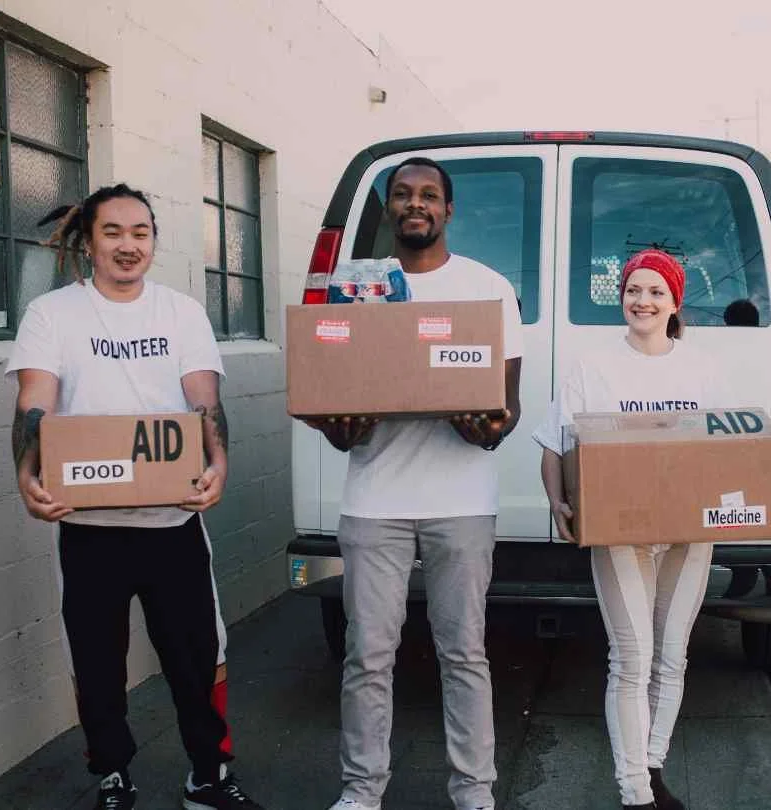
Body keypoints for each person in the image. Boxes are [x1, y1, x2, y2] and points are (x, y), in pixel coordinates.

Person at [7, 184, 264, 810]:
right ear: (89, 241)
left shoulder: (179, 312)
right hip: (88, 525)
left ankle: (208, 776)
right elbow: (34, 402)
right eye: (114, 232)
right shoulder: (53, 314)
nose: (129, 245)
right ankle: (113, 777)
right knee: (97, 664)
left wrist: (220, 462)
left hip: (172, 523)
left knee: (198, 657)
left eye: (141, 232)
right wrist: (26, 473)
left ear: (153, 240)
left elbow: (204, 401)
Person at [310, 157, 523, 810]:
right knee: (368, 657)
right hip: (374, 501)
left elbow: (504, 412)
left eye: (428, 195)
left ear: (448, 210)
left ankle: (474, 793)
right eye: (402, 194)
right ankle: (361, 793)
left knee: (464, 654)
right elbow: (334, 412)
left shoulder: (486, 289)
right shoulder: (355, 289)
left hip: (460, 503)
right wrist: (344, 423)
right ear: (390, 210)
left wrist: (479, 422)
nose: (415, 204)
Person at [534, 249, 728, 810]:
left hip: (688, 533)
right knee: (632, 658)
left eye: (655, 292)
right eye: (633, 290)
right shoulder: (593, 367)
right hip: (621, 533)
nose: (642, 300)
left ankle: (654, 765)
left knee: (672, 657)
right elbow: (555, 446)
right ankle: (636, 794)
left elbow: (729, 450)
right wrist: (557, 501)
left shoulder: (702, 369)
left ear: (674, 303)